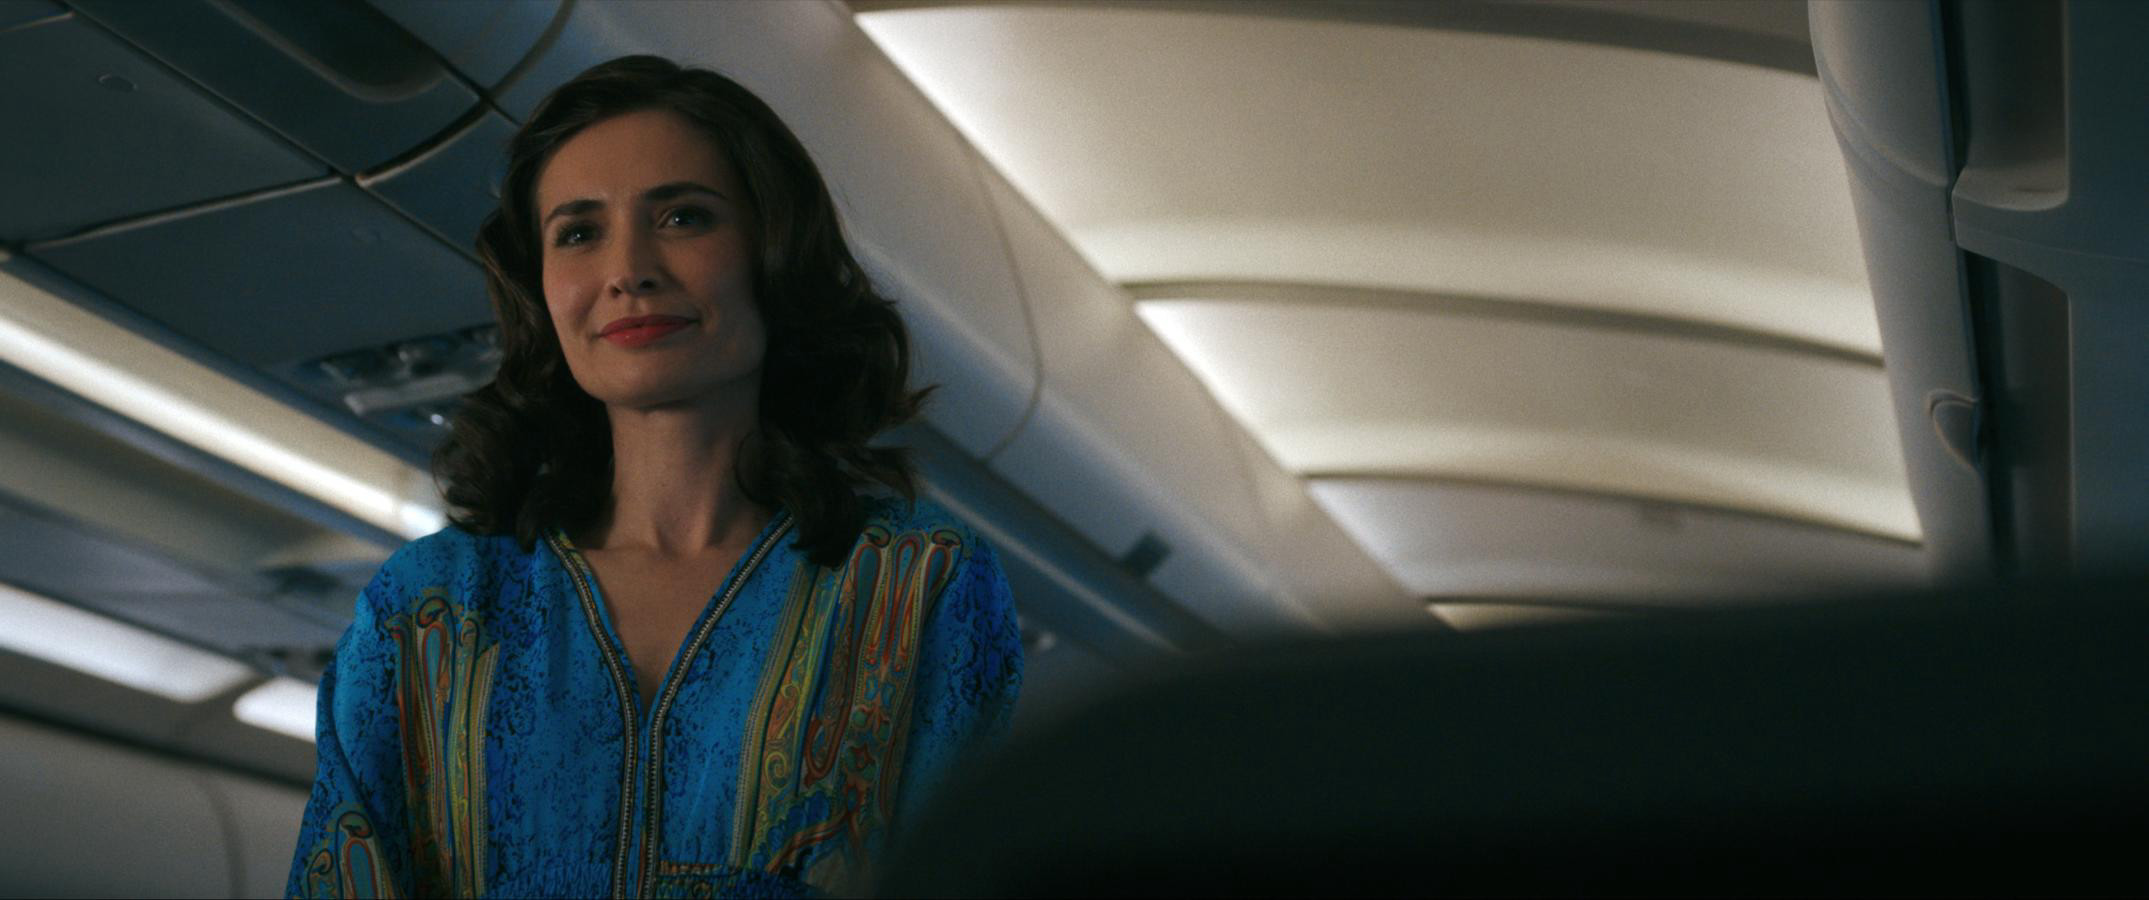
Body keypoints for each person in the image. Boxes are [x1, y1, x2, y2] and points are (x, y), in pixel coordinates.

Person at [286, 55, 1023, 899]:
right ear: (541, 289)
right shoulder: (430, 607)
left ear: (773, 252)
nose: (627, 269)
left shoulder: (916, 583)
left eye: (682, 217)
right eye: (578, 233)